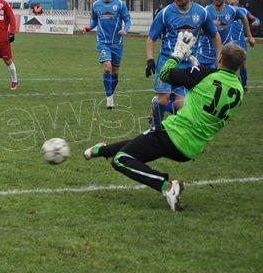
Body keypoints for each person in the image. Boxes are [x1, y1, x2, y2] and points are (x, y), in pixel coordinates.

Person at [84, 35, 246, 212]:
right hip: (191, 148)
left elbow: (165, 74)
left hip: (173, 134)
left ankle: (167, 186)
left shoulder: (204, 75)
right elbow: (211, 94)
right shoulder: (239, 90)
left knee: (121, 160)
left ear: (220, 58)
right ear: (238, 66)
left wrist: (177, 54)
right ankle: (101, 150)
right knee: (141, 142)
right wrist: (197, 70)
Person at [146, 0, 220, 130]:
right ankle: (155, 129)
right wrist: (150, 59)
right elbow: (151, 37)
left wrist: (220, 57)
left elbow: (215, 34)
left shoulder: (201, 13)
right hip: (167, 62)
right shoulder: (165, 13)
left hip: (187, 66)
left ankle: (159, 112)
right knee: (163, 100)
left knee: (181, 106)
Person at [83, 0, 131, 109]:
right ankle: (109, 99)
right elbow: (94, 20)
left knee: (115, 73)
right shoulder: (96, 5)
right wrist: (89, 27)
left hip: (117, 43)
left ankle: (111, 94)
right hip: (102, 42)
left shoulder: (120, 4)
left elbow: (127, 20)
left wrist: (125, 30)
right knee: (107, 68)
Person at [197, 0, 250, 68]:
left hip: (225, 55)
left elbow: (244, 17)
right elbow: (198, 31)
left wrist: (250, 36)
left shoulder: (232, 10)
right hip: (206, 54)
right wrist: (210, 26)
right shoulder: (206, 11)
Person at [226, 0, 257, 91]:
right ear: (227, 1)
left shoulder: (243, 11)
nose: (232, 1)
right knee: (228, 65)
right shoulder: (225, 10)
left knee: (242, 64)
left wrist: (256, 22)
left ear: (238, 1)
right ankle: (230, 83)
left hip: (240, 42)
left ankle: (243, 84)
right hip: (228, 42)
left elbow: (254, 19)